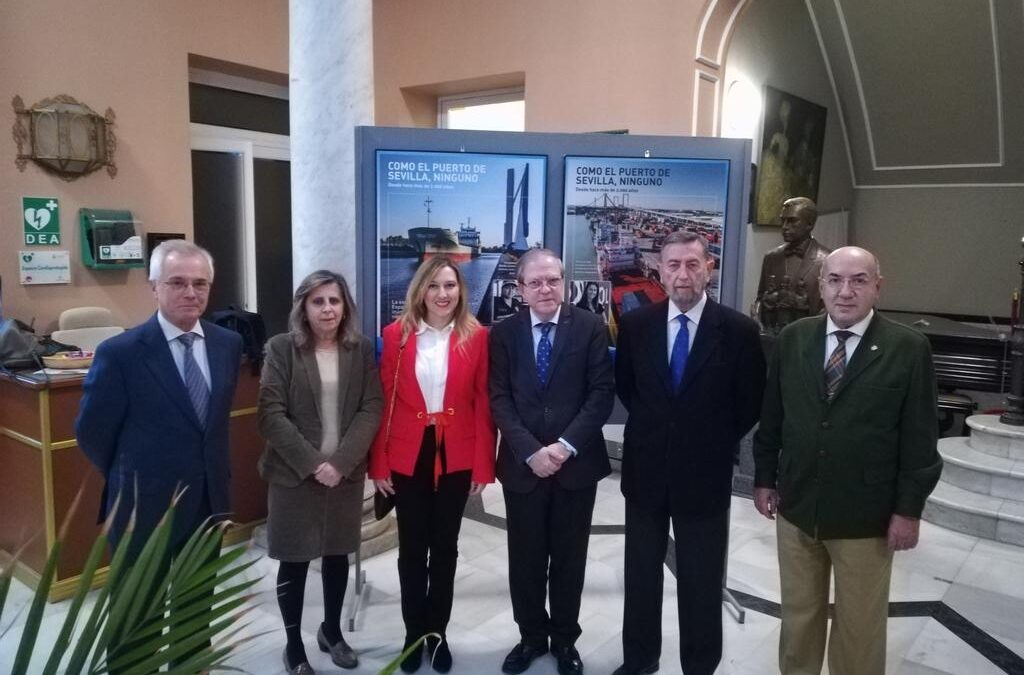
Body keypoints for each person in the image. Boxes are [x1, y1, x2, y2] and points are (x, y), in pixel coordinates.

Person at [753, 246, 942, 675]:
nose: (845, 291)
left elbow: (920, 440)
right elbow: (773, 417)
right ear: (820, 286)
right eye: (835, 279)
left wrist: (908, 510)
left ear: (878, 287)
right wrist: (765, 477)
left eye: (858, 280)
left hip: (866, 518)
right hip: (798, 506)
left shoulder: (907, 349)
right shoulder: (794, 338)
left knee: (859, 629)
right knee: (798, 620)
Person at [76, 239, 243, 665]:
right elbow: (92, 433)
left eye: (200, 283)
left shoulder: (228, 344)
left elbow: (212, 428)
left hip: (206, 505)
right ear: (154, 287)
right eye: (178, 282)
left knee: (195, 615)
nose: (191, 292)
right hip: (140, 510)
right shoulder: (122, 353)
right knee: (137, 622)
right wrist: (134, 479)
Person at [613, 231, 766, 675]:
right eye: (674, 265)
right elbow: (629, 388)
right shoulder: (638, 326)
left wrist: (706, 439)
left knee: (700, 581)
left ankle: (699, 666)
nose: (683, 274)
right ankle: (640, 660)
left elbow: (748, 402)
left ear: (709, 269)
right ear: (660, 270)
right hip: (645, 474)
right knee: (641, 577)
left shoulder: (738, 331)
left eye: (693, 265)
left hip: (704, 475)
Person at [489, 248, 615, 675]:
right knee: (524, 559)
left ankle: (564, 640)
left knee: (569, 557)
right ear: (520, 288)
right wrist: (529, 450)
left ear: (565, 283)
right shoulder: (502, 334)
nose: (546, 289)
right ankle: (530, 637)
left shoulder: (591, 327)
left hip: (575, 467)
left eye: (553, 280)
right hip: (522, 468)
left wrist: (562, 447)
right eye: (536, 282)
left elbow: (600, 395)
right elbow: (499, 398)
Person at [369, 256, 496, 674]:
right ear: (420, 290)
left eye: (451, 286)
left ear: (461, 291)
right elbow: (384, 403)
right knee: (411, 549)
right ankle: (412, 632)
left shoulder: (476, 337)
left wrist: (482, 465)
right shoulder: (396, 336)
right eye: (435, 286)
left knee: (446, 547)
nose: (443, 294)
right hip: (409, 454)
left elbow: (481, 404)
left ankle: (436, 632)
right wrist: (379, 464)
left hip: (456, 453)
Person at [257, 270, 383, 674]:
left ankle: (331, 631)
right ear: (303, 308)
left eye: (334, 300)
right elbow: (270, 415)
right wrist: (314, 465)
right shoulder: (281, 349)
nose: (328, 309)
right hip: (295, 477)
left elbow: (371, 407)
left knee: (336, 556)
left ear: (345, 306)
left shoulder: (359, 349)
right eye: (318, 301)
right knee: (293, 561)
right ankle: (294, 645)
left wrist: (341, 463)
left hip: (344, 476)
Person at [755, 197, 831, 331]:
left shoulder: (828, 260)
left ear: (809, 224)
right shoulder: (771, 257)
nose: (785, 227)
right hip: (772, 336)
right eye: (783, 220)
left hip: (808, 338)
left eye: (792, 221)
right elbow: (761, 297)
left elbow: (829, 307)